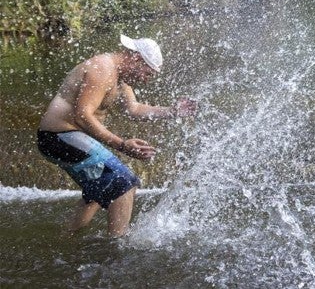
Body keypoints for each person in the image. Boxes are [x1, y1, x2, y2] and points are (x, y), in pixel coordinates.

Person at [37, 35, 197, 237]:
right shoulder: (103, 68)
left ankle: (64, 238)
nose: (145, 80)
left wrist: (172, 111)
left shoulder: (120, 77)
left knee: (98, 190)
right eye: (147, 74)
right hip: (58, 136)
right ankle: (117, 249)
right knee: (123, 183)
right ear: (137, 59)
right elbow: (82, 115)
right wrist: (122, 144)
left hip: (66, 138)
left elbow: (134, 109)